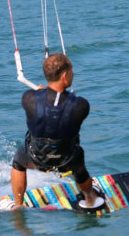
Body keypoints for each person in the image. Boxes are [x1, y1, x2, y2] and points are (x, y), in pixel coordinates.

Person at [9, 53, 104, 210]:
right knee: (79, 167)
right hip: (67, 160)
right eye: (71, 71)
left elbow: (49, 108)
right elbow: (60, 111)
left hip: (35, 158)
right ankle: (90, 198)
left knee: (18, 162)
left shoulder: (28, 98)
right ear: (65, 75)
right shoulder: (81, 105)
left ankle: (18, 206)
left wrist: (41, 94)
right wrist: (48, 95)